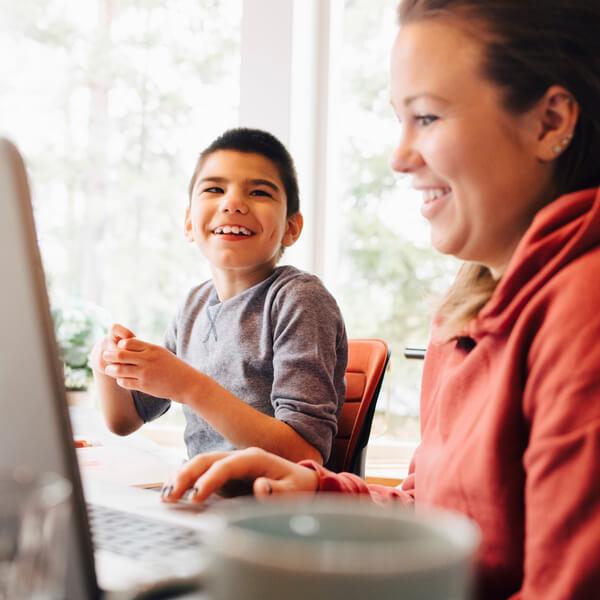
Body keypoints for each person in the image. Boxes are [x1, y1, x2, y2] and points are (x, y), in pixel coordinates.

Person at [162, 1, 600, 598]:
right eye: (399, 120)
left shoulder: (584, 308)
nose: (399, 157)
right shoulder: (464, 311)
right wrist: (311, 489)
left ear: (549, 123)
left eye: (427, 117)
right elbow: (436, 513)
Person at [90, 128, 348, 465]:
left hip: (265, 508)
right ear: (188, 223)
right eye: (214, 189)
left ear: (291, 227)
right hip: (202, 495)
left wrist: (188, 386)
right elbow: (124, 421)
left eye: (258, 192)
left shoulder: (299, 300)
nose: (233, 204)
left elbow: (304, 455)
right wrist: (107, 363)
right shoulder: (193, 306)